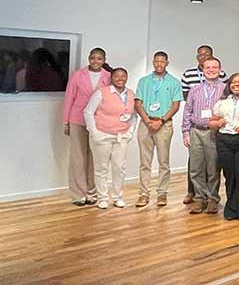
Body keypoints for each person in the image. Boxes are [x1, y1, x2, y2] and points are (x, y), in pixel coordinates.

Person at [83, 67, 136, 209]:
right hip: (103, 135)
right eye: (117, 76)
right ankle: (102, 198)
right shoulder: (101, 93)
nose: (120, 79)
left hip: (121, 136)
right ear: (111, 78)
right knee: (101, 169)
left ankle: (118, 197)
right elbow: (88, 112)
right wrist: (94, 132)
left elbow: (134, 115)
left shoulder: (131, 94)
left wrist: (130, 131)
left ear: (127, 77)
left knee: (119, 168)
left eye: (123, 76)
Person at [134, 51, 183, 207]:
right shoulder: (144, 81)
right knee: (144, 162)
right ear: (153, 62)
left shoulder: (174, 82)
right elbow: (138, 104)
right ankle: (143, 194)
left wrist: (161, 121)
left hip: (164, 123)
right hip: (146, 123)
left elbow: (175, 105)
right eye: (156, 61)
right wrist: (148, 121)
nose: (159, 64)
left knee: (163, 161)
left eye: (162, 61)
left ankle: (162, 193)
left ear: (167, 63)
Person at [63, 47, 111, 206]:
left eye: (99, 58)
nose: (95, 61)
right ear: (88, 59)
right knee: (77, 158)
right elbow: (69, 99)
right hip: (77, 120)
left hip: (98, 122)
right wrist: (66, 122)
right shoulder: (78, 75)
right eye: (93, 58)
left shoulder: (108, 77)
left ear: (104, 60)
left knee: (95, 158)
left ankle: (92, 193)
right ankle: (78, 195)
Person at [180, 45, 227, 205]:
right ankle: (199, 198)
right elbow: (187, 111)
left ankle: (213, 199)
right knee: (196, 167)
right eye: (208, 67)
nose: (211, 70)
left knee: (213, 168)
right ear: (203, 70)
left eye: (214, 67)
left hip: (215, 133)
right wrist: (186, 132)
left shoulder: (225, 89)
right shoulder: (195, 89)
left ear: (220, 70)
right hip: (196, 132)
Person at [211, 73, 239, 222]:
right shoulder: (222, 102)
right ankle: (231, 208)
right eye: (233, 82)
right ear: (229, 85)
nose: (236, 85)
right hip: (224, 141)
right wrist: (217, 123)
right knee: (229, 176)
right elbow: (212, 122)